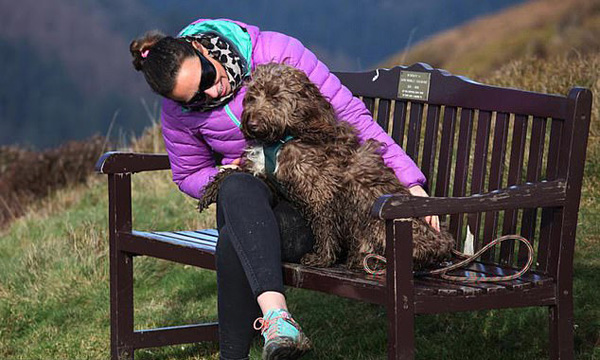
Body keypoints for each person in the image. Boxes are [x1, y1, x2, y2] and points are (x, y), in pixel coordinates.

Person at [130, 18, 439, 360]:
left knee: (236, 236)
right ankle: (278, 322)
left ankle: (257, 338)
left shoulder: (274, 52)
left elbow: (352, 115)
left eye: (207, 78)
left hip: (310, 211)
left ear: (202, 49)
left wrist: (410, 182)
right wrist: (223, 171)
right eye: (196, 99)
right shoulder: (177, 110)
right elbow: (188, 173)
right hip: (253, 199)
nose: (212, 94)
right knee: (234, 189)